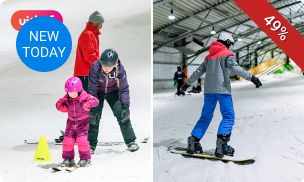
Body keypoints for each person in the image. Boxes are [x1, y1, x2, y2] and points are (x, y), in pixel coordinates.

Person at [181, 32, 262, 158]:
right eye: (231, 44)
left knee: (205, 117)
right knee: (228, 116)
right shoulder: (227, 54)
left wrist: (187, 84)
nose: (231, 47)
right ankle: (222, 145)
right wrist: (251, 77)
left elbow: (198, 71)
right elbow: (236, 69)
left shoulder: (208, 57)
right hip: (223, 91)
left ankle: (193, 142)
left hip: (209, 91)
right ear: (228, 42)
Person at [88, 49, 139, 154]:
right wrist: (92, 103)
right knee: (94, 117)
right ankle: (90, 144)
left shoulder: (120, 69)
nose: (106, 69)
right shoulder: (95, 67)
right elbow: (92, 88)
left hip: (113, 93)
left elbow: (124, 88)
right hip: (97, 93)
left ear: (115, 64)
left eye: (109, 66)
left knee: (123, 115)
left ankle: (131, 141)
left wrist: (125, 105)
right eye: (104, 65)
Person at [56, 77, 99, 167]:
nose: (71, 95)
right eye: (69, 93)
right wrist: (60, 106)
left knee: (82, 141)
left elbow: (96, 101)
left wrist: (88, 104)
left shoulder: (85, 96)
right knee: (68, 141)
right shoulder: (67, 97)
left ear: (79, 90)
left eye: (73, 93)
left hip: (82, 123)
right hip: (70, 122)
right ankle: (68, 158)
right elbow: (59, 102)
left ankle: (85, 159)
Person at [73, 11, 104, 93]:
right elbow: (89, 55)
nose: (101, 26)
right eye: (100, 23)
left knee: (93, 102)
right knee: (90, 102)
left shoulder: (92, 34)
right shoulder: (88, 34)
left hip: (87, 74)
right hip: (85, 75)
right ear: (95, 23)